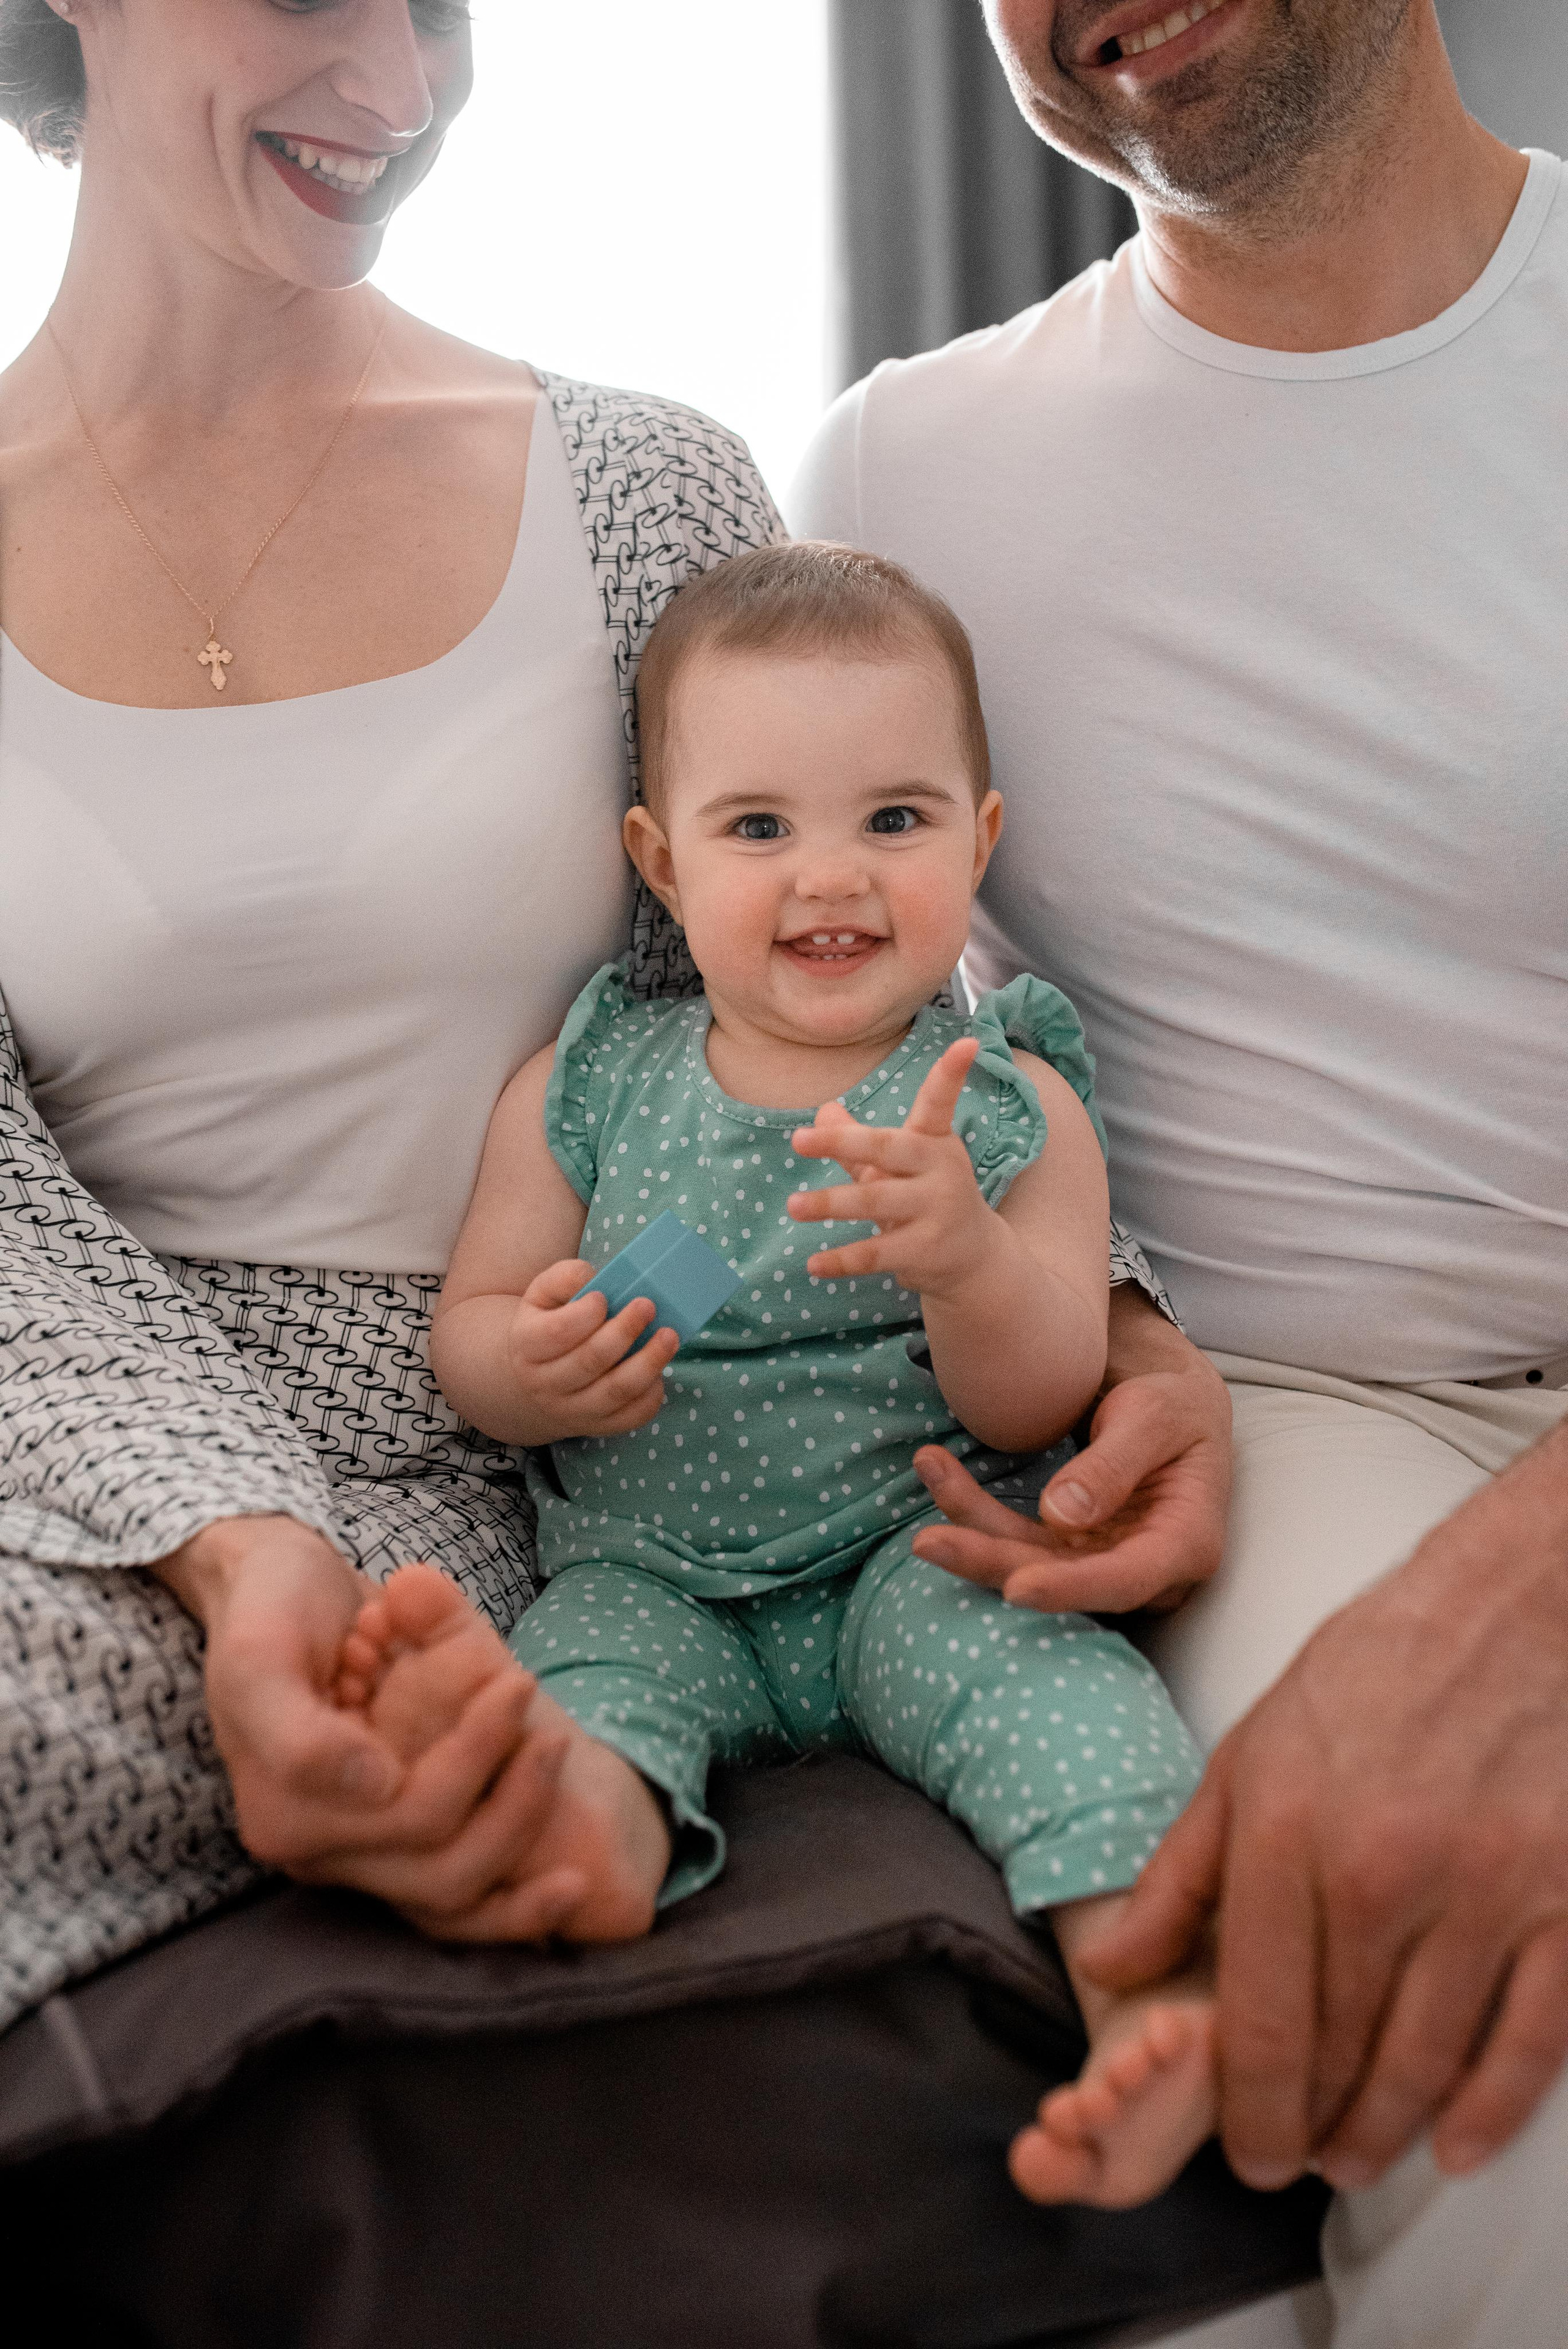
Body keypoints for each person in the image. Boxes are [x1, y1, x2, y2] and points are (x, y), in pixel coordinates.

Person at [0, 0, 1241, 2289]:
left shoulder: (640, 486)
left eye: (443, 2)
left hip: (575, 1457)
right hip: (96, 1461)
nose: (398, 78)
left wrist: (1120, 1317)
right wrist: (240, 1550)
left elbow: (853, 993)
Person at [790, 0, 1567, 2339]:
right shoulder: (900, 480)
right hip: (1302, 1416)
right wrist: (1110, 1305)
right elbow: (913, 1028)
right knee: (1474, 2032)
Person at [334, 540, 1228, 2210]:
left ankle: (1153, 1997)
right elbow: (470, 1328)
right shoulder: (589, 1075)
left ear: (980, 841)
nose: (832, 877)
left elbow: (1040, 1397)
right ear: (661, 863)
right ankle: (587, 1839)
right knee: (580, 1686)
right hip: (652, 1568)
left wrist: (967, 1255)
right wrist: (533, 1367)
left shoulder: (1009, 1093)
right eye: (760, 828)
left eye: (894, 820)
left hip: (917, 1552)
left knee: (1065, 1696)